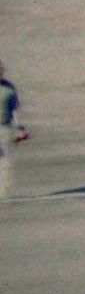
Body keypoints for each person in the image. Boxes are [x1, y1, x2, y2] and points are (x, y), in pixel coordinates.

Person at [1, 60, 24, 200]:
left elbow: (14, 109)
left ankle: (3, 192)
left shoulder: (9, 88)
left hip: (5, 127)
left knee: (4, 160)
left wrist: (19, 127)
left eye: (1, 70)